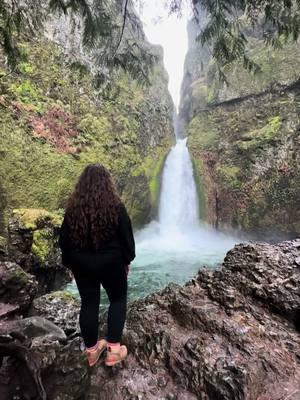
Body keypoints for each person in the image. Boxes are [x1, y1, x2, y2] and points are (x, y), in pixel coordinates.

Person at [59, 164, 135, 367]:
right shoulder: (116, 207)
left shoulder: (73, 210)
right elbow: (127, 237)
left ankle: (92, 352)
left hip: (82, 265)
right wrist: (127, 260)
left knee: (89, 304)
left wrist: (70, 265)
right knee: (118, 300)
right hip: (112, 263)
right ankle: (113, 351)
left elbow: (64, 241)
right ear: (107, 184)